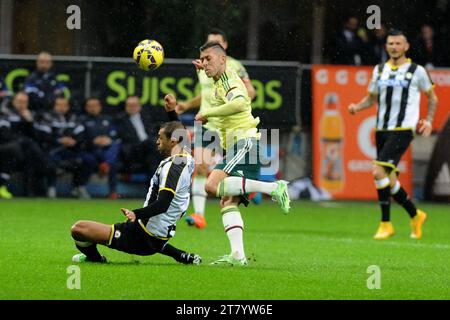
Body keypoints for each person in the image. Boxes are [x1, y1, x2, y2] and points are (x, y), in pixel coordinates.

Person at [165, 42, 290, 266]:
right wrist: (201, 74)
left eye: (209, 59)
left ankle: (274, 187)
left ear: (223, 59)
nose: (204, 63)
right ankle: (238, 255)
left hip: (245, 143)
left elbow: (241, 102)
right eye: (202, 60)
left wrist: (208, 112)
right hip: (241, 145)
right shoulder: (217, 83)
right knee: (227, 201)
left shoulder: (229, 80)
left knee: (211, 185)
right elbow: (216, 98)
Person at [348, 29, 438, 240]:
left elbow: (432, 98)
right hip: (381, 129)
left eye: (398, 43)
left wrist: (429, 121)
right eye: (390, 44)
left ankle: (385, 223)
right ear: (386, 46)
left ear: (406, 46)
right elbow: (371, 98)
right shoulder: (379, 70)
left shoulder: (417, 71)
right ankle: (416, 215)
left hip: (403, 129)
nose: (394, 47)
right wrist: (357, 107)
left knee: (378, 172)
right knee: (390, 179)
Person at [70, 121, 201, 266]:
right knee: (154, 240)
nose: (157, 141)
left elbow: (163, 204)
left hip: (142, 235)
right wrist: (172, 113)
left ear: (173, 141)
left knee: (78, 229)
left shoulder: (172, 169)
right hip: (157, 232)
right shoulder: (186, 157)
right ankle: (181, 255)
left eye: (160, 138)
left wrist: (136, 214)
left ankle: (95, 259)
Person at [176, 28, 256, 229]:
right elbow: (208, 95)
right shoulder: (204, 67)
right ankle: (199, 215)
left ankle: (248, 186)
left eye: (215, 42)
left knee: (229, 174)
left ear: (224, 47)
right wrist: (186, 105)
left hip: (227, 124)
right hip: (207, 123)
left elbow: (250, 92)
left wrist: (237, 101)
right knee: (201, 166)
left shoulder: (235, 66)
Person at [38, 97, 90, 199]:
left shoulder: (74, 118)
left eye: (64, 105)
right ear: (54, 106)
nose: (62, 107)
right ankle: (51, 187)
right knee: (50, 160)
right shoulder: (47, 117)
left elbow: (81, 134)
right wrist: (59, 140)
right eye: (59, 105)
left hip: (71, 150)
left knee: (88, 160)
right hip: (53, 149)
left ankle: (78, 187)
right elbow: (44, 135)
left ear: (68, 107)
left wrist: (74, 141)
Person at [1, 91, 49, 196]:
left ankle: (29, 192)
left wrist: (29, 121)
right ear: (13, 101)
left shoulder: (30, 114)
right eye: (19, 101)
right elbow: (4, 134)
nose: (22, 104)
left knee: (30, 155)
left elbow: (37, 137)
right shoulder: (4, 112)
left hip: (23, 150)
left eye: (24, 102)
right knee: (22, 147)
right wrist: (21, 140)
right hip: (5, 146)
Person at [80, 97, 120, 199]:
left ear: (100, 107)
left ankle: (113, 191)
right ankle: (80, 187)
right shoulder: (82, 120)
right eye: (90, 106)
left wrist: (108, 139)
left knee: (115, 146)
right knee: (89, 159)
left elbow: (115, 134)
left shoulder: (107, 119)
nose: (93, 108)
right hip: (89, 150)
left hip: (106, 151)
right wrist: (92, 141)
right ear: (86, 108)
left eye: (95, 106)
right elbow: (79, 138)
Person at [116, 96, 161, 176]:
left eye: (135, 105)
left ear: (140, 106)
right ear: (125, 107)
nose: (132, 108)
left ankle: (154, 187)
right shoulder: (120, 120)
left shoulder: (147, 117)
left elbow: (154, 132)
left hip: (149, 150)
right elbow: (126, 138)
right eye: (130, 105)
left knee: (152, 160)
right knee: (152, 143)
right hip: (133, 150)